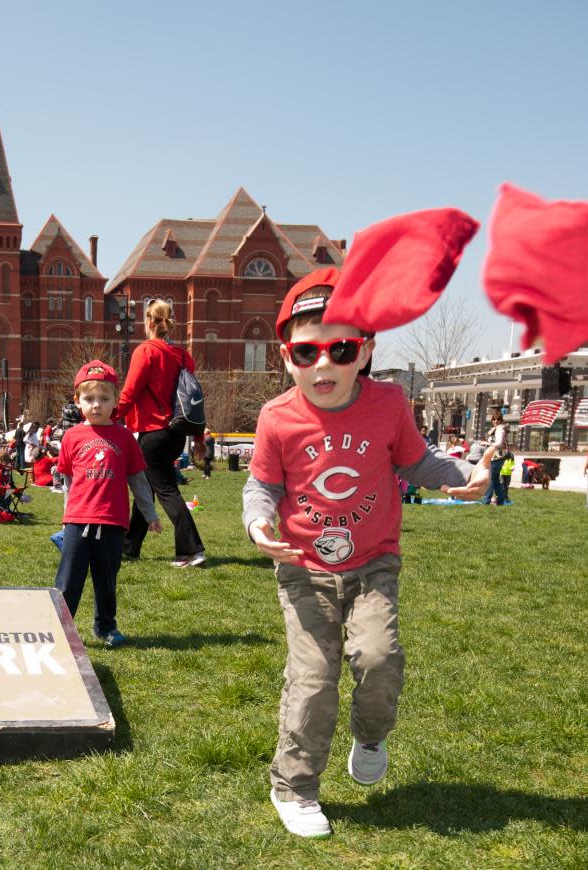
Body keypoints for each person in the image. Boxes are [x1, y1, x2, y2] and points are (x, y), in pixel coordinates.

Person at [242, 269, 493, 839]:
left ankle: (371, 734)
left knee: (379, 661)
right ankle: (295, 787)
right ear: (287, 358)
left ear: (366, 352)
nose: (323, 364)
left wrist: (461, 477)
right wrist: (258, 523)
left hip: (374, 564)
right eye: (306, 352)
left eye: (341, 348)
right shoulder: (276, 418)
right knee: (313, 677)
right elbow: (261, 487)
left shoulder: (388, 404)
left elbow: (419, 463)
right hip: (304, 570)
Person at [54, 361, 161, 648]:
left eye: (104, 398)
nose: (97, 405)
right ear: (77, 401)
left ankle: (105, 626)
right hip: (78, 521)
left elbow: (139, 481)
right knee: (69, 580)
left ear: (116, 400)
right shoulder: (72, 437)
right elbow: (67, 482)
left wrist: (150, 514)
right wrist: (67, 517)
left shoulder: (125, 438)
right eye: (89, 399)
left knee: (106, 581)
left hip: (113, 523)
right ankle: (60, 626)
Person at [115, 299, 206, 568]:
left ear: (150, 322)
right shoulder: (181, 356)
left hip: (153, 433)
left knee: (165, 489)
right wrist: (199, 439)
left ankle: (191, 550)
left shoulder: (146, 352)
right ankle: (130, 547)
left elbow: (129, 393)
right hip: (177, 432)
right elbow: (193, 397)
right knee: (147, 488)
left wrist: (107, 420)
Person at [481, 411, 510, 506]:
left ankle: (486, 501)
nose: (496, 421)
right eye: (494, 419)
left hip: (496, 457)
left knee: (490, 479)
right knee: (496, 480)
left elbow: (499, 443)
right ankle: (501, 500)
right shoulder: (497, 429)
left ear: (501, 420)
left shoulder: (499, 430)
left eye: (498, 419)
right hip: (497, 456)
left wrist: (487, 443)